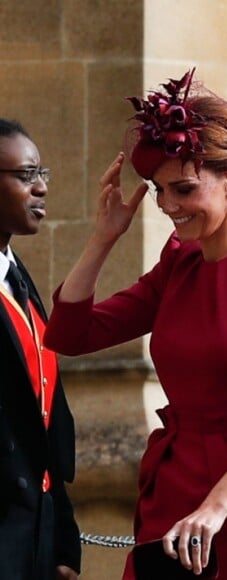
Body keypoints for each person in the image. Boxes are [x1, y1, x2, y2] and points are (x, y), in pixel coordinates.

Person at [44, 69, 227, 580]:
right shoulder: (179, 262)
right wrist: (104, 238)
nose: (168, 206)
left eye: (182, 189)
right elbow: (70, 335)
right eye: (159, 190)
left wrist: (217, 508)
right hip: (174, 499)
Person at [0, 118, 81, 579]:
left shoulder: (19, 278)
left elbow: (44, 417)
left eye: (42, 174)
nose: (41, 188)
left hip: (34, 536)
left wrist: (61, 540)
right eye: (26, 175)